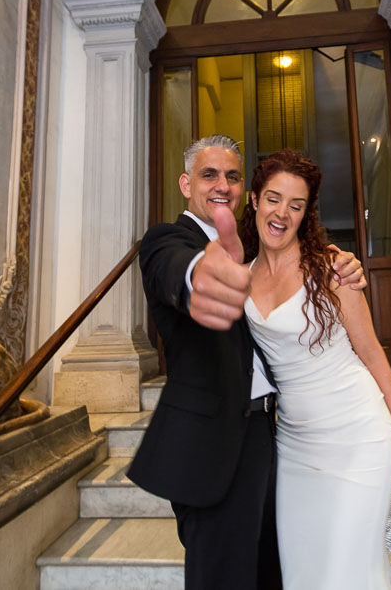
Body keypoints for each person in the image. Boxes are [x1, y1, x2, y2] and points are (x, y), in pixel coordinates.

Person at [127, 135, 365, 590]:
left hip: (276, 435)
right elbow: (176, 267)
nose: (222, 185)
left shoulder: (255, 251)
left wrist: (341, 263)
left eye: (232, 176)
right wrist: (201, 274)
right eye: (208, 174)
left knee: (273, 570)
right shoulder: (167, 240)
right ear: (185, 183)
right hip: (214, 445)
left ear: (245, 190)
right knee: (223, 577)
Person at [240, 150, 391, 589]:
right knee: (301, 570)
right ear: (253, 200)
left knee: (350, 572)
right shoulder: (241, 276)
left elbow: (373, 354)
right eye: (273, 198)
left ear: (306, 214)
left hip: (357, 435)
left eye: (296, 205)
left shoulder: (330, 270)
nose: (282, 213)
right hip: (295, 446)